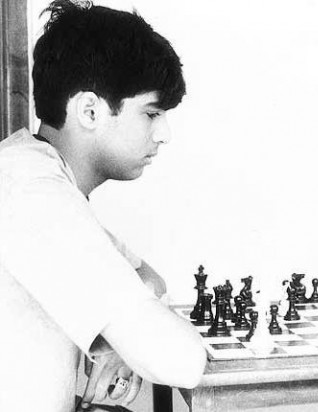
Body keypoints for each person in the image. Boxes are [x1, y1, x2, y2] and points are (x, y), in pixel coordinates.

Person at [0, 1, 207, 411]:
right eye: (151, 113)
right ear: (90, 110)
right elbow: (181, 360)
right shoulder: (31, 192)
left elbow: (151, 279)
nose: (163, 133)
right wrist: (129, 336)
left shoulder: (37, 170)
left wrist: (112, 338)